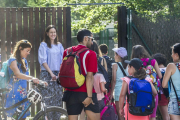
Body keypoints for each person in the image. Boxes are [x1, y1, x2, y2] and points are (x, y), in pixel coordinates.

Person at [62, 29, 100, 120]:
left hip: (70, 92)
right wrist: (90, 96)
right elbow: (89, 77)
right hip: (85, 92)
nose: (92, 42)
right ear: (86, 38)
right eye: (91, 39)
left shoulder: (67, 51)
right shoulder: (91, 54)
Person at [4, 40, 47, 120]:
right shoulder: (13, 60)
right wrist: (32, 78)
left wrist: (40, 81)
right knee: (15, 117)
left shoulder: (24, 61)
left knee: (22, 117)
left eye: (29, 51)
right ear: (20, 48)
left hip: (23, 93)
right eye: (27, 51)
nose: (28, 53)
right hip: (14, 93)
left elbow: (26, 76)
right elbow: (18, 74)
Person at [38, 25, 64, 119]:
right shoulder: (43, 45)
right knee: (48, 99)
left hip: (58, 75)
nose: (53, 34)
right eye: (51, 32)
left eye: (54, 32)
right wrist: (51, 73)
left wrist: (59, 74)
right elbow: (43, 61)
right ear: (47, 33)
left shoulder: (59, 45)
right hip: (47, 74)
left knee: (57, 98)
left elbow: (63, 60)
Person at [131, 45, 162, 120]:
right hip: (153, 90)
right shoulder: (152, 61)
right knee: (153, 115)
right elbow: (160, 76)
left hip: (139, 91)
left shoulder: (135, 63)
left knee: (141, 114)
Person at [162, 43, 180, 120]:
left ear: (176, 54)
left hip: (175, 100)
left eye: (172, 53)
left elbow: (164, 84)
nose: (171, 55)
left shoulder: (171, 66)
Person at [110, 47, 128, 120]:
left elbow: (114, 80)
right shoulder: (128, 65)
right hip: (127, 91)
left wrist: (111, 93)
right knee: (126, 113)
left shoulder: (115, 65)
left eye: (115, 54)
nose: (114, 56)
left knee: (120, 114)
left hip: (118, 92)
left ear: (119, 56)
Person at [152, 53, 170, 120]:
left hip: (161, 95)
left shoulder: (155, 71)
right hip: (171, 93)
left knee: (165, 116)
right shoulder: (169, 69)